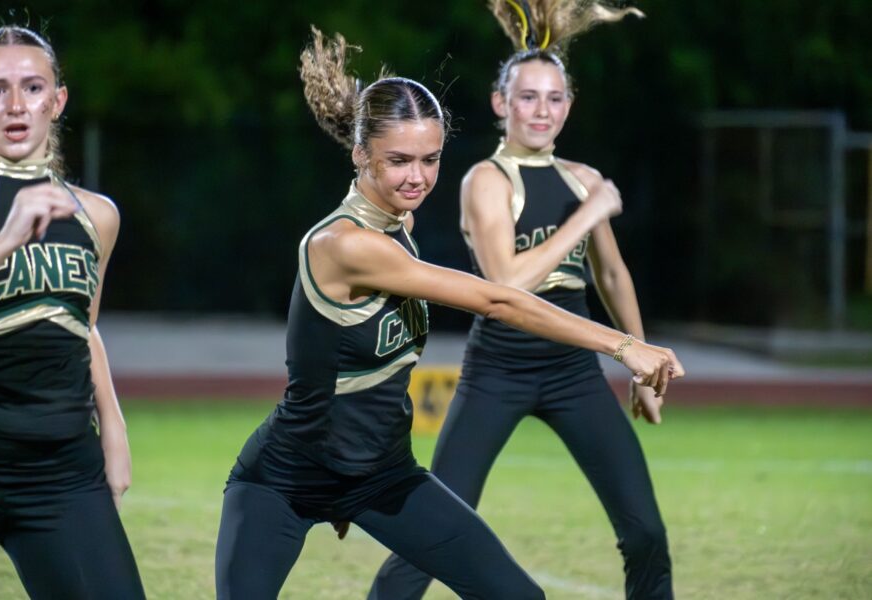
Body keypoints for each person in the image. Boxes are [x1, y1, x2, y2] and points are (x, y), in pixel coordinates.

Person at [215, 25, 682, 600]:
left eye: (430, 159)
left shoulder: (400, 224)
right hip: (285, 477)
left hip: (382, 474)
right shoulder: (345, 244)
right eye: (399, 161)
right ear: (360, 153)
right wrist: (623, 345)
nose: (418, 177)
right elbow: (499, 296)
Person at [369, 1, 676, 599]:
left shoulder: (582, 178)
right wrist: (587, 215)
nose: (542, 109)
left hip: (573, 371)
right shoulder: (485, 180)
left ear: (569, 105)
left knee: (645, 532)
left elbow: (611, 276)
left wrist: (639, 365)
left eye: (554, 97)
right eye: (528, 96)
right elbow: (504, 287)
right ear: (500, 103)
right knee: (435, 531)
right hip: (498, 369)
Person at [0, 26, 145, 599]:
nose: (17, 106)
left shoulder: (96, 216)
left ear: (58, 100)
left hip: (59, 468)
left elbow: (83, 327)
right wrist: (4, 240)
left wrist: (113, 429)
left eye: (33, 87)